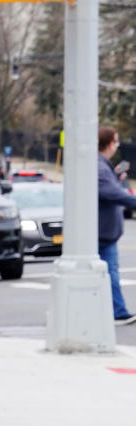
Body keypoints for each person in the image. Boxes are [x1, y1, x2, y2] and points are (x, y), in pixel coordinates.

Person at [98, 126, 136, 324]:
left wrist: (117, 179)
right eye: (117, 141)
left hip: (106, 233)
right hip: (101, 233)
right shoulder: (99, 167)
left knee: (110, 273)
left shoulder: (103, 166)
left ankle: (118, 310)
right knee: (109, 273)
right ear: (110, 144)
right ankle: (118, 312)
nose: (118, 145)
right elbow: (112, 194)